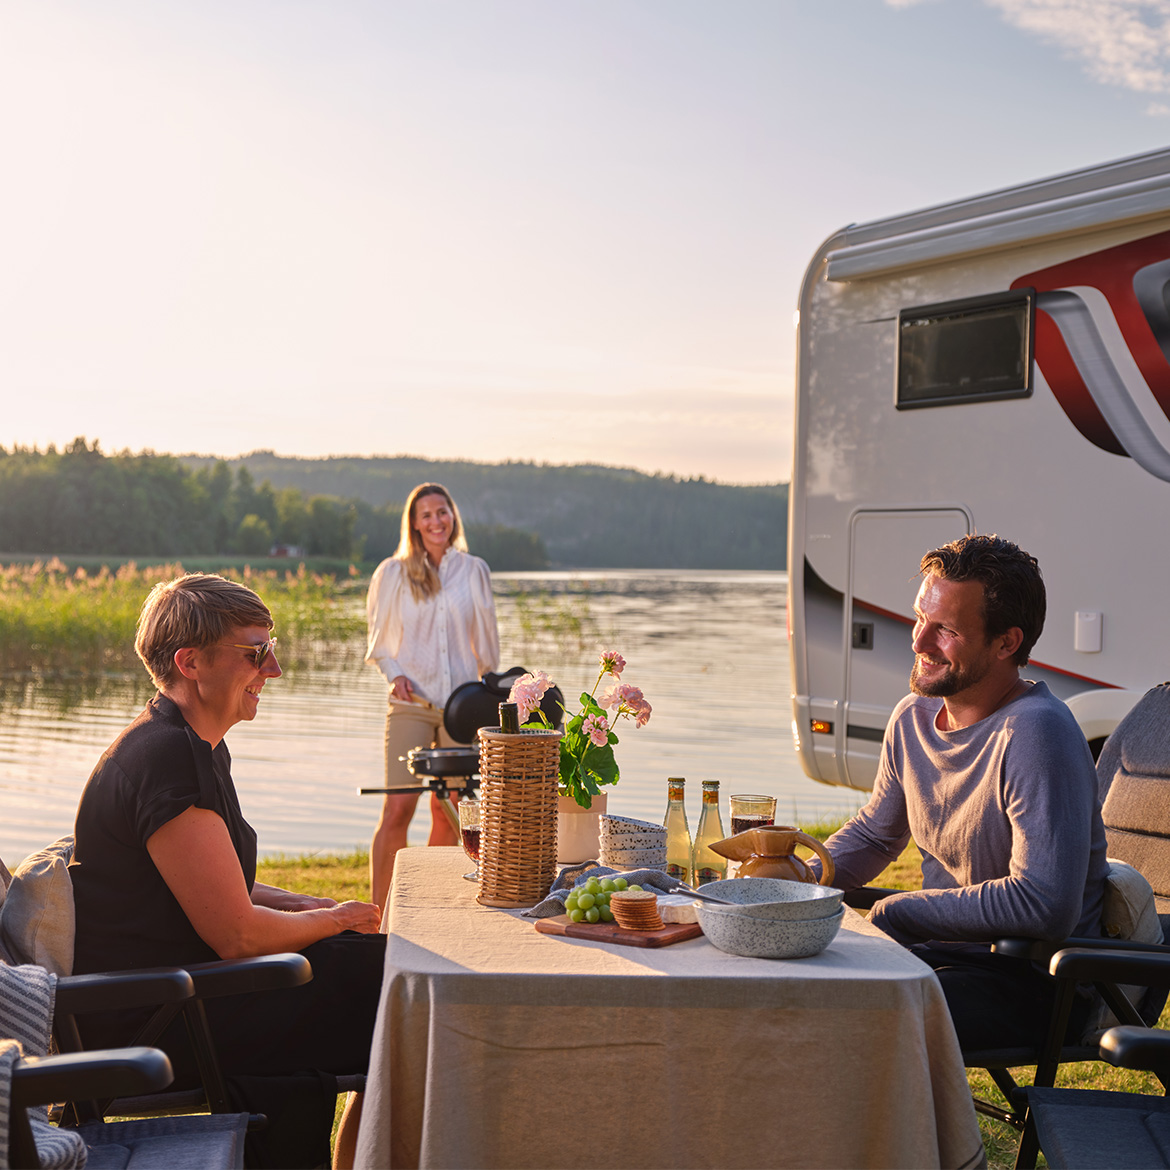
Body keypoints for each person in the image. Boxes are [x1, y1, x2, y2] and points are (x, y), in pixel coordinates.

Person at [68, 572, 385, 1169]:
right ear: (191, 663)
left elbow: (214, 884)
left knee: (384, 970)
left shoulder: (192, 744)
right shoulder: (167, 760)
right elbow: (237, 934)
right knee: (396, 991)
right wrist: (336, 916)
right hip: (158, 1017)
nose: (274, 670)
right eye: (255, 653)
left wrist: (303, 905)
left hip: (187, 987)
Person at [819, 533, 1109, 1050]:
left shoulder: (1037, 733)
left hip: (1031, 982)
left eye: (945, 630)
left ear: (1006, 642)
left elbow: (1045, 905)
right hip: (941, 958)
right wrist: (797, 872)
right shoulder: (912, 717)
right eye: (919, 618)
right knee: (794, 983)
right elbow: (875, 834)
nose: (918, 642)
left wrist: (902, 910)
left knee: (844, 1013)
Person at [365, 482, 500, 907]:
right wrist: (394, 674)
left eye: (442, 512)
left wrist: (491, 688)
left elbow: (487, 646)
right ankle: (378, 915)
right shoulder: (393, 572)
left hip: (461, 709)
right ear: (415, 523)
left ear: (452, 516)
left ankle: (430, 906)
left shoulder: (473, 569)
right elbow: (381, 642)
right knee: (398, 808)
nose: (436, 521)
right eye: (427, 515)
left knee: (454, 812)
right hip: (411, 705)